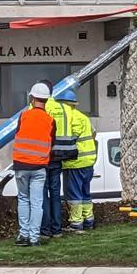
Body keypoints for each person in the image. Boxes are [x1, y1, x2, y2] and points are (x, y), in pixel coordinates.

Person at [14, 83, 55, 246]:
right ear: (46, 100)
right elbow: (52, 143)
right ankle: (34, 237)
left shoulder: (23, 116)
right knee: (37, 202)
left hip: (21, 163)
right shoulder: (50, 120)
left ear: (32, 98)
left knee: (23, 199)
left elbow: (17, 134)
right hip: (39, 166)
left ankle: (23, 235)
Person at [40, 80, 78, 239]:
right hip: (59, 157)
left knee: (43, 194)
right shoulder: (63, 108)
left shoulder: (41, 107)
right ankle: (57, 229)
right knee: (55, 194)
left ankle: (45, 230)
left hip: (44, 156)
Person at [59, 90, 98, 232]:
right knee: (85, 193)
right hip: (88, 161)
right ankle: (89, 220)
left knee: (74, 194)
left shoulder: (68, 118)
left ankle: (76, 223)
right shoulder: (83, 117)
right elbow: (93, 134)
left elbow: (69, 140)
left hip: (75, 162)